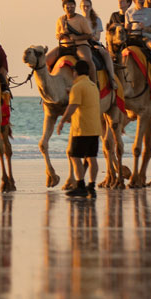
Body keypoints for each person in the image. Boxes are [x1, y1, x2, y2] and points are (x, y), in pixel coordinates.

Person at [54, 58, 100, 197]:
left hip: (82, 129)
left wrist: (62, 120)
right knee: (91, 158)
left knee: (74, 156)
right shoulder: (92, 85)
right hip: (95, 128)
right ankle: (91, 187)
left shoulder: (77, 87)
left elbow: (73, 106)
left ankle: (80, 185)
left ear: (75, 72)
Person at [45, 0, 96, 75]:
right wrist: (60, 36)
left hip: (80, 45)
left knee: (88, 61)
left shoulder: (81, 19)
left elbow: (89, 35)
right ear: (64, 8)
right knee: (45, 60)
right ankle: (49, 83)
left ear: (75, 7)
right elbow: (57, 35)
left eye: (72, 7)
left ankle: (93, 83)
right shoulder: (60, 19)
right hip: (64, 46)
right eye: (67, 7)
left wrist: (76, 38)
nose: (70, 9)